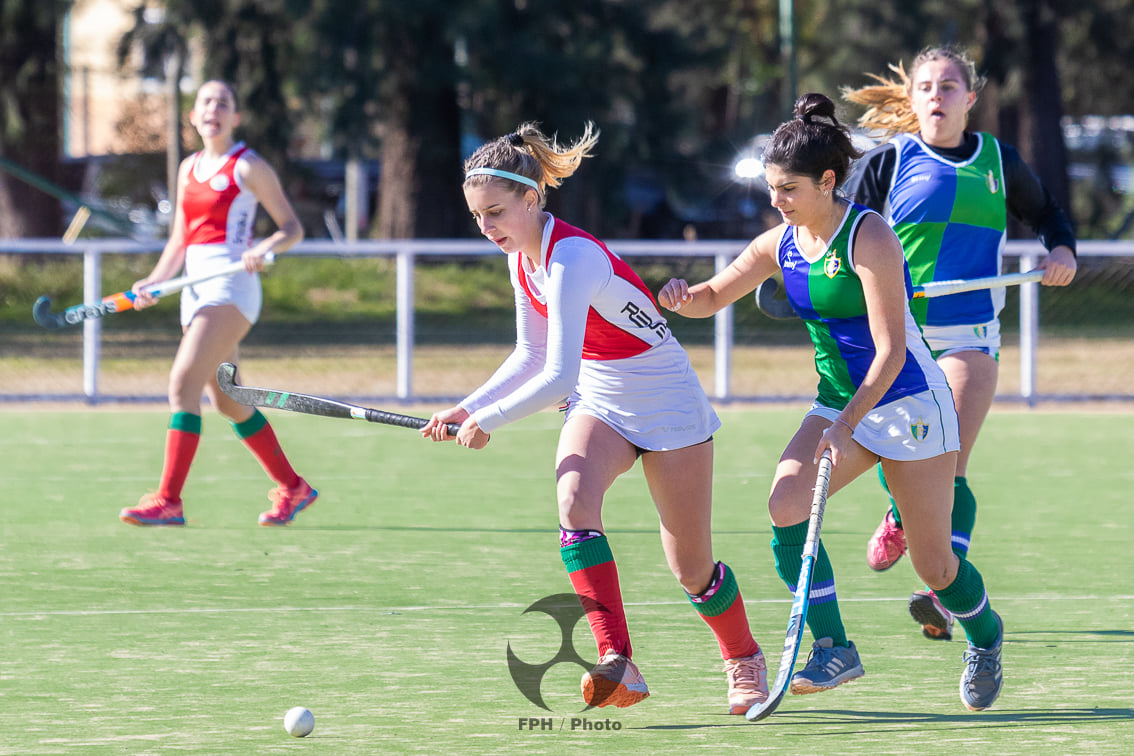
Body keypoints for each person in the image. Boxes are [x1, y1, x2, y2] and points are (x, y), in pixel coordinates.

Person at [658, 93, 1005, 711]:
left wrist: (848, 424)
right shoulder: (781, 242)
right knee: (786, 503)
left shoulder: (868, 236)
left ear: (826, 181)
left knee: (935, 570)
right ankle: (836, 646)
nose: (776, 201)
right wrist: (684, 295)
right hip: (839, 402)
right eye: (771, 188)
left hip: (908, 407)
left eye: (788, 189)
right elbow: (715, 294)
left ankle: (986, 635)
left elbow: (892, 350)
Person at [420, 122, 768, 714]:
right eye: (478, 217)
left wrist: (493, 420)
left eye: (497, 212)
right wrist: (468, 406)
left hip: (668, 405)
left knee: (692, 569)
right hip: (601, 398)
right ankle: (619, 661)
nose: (487, 228)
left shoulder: (572, 257)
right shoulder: (521, 258)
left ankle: (744, 660)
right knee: (574, 500)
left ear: (533, 199)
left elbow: (554, 377)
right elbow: (530, 353)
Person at [842, 47, 1077, 640]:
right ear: (913, 97)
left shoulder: (998, 159)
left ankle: (941, 593)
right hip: (900, 333)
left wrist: (1061, 249)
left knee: (950, 465)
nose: (937, 97)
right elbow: (845, 239)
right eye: (927, 87)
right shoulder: (888, 161)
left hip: (971, 332)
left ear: (970, 99)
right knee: (904, 464)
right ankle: (900, 511)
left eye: (950, 87)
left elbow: (1048, 213)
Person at [118, 80, 316, 528]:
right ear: (193, 116)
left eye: (224, 103)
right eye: (206, 102)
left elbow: (292, 227)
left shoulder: (248, 167)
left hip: (231, 286)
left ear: (235, 117)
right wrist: (153, 281)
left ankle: (169, 500)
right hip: (193, 288)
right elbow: (181, 238)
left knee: (182, 384)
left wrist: (264, 248)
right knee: (228, 401)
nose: (214, 109)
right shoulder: (188, 168)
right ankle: (294, 487)